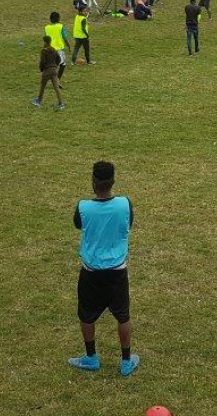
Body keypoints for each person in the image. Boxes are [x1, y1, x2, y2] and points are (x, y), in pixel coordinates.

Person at [68, 161, 139, 377]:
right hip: (117, 271)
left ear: (93, 182)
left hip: (91, 272)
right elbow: (129, 223)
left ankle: (91, 357)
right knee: (123, 315)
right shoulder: (124, 204)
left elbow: (78, 225)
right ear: (113, 181)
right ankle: (126, 361)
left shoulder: (83, 207)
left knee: (87, 315)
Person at [34, 36, 65, 110]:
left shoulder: (44, 51)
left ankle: (39, 101)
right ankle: (61, 103)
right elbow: (59, 59)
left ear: (45, 42)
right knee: (56, 87)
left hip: (47, 71)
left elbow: (42, 62)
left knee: (42, 86)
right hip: (54, 70)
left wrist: (42, 69)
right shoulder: (54, 49)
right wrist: (55, 65)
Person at [45, 12, 71, 82]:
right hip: (59, 49)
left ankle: (52, 79)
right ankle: (56, 80)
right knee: (62, 64)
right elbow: (65, 38)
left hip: (49, 49)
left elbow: (46, 39)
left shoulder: (47, 28)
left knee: (53, 65)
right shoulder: (60, 27)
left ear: (51, 19)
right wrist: (69, 46)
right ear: (59, 18)